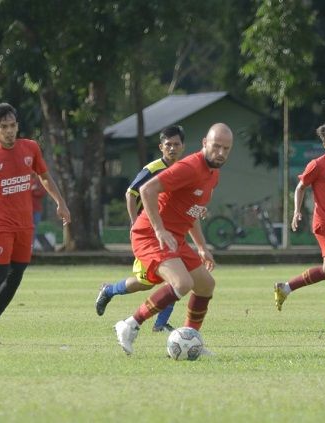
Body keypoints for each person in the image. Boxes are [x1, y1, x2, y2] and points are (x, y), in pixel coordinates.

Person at [113, 123, 233, 355]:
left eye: (226, 149)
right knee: (183, 283)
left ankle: (190, 339)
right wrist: (159, 230)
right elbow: (147, 190)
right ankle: (129, 325)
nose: (221, 153)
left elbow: (193, 212)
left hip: (174, 237)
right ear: (204, 144)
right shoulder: (189, 167)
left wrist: (201, 246)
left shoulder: (213, 174)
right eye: (216, 146)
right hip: (150, 234)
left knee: (206, 285)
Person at [0, 103, 71, 345]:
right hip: (0, 225)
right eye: (4, 127)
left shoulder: (30, 148)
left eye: (13, 126)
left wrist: (60, 202)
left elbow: (44, 176)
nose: (10, 131)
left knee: (16, 275)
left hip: (25, 226)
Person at [95, 125, 186, 332]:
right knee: (149, 282)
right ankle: (109, 291)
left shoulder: (182, 170)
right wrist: (135, 222)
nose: (172, 148)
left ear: (183, 147)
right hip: (150, 233)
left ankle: (160, 323)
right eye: (168, 145)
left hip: (170, 232)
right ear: (161, 147)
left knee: (173, 277)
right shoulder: (153, 169)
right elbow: (131, 194)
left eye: (176, 144)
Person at [273, 120, 325, 324]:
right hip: (324, 223)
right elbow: (301, 187)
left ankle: (286, 288)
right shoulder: (317, 165)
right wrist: (296, 212)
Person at [31, 172, 47, 249]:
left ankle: (31, 247)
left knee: (34, 228)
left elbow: (42, 192)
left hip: (37, 210)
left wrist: (34, 190)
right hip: (27, 210)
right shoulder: (26, 180)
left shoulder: (39, 182)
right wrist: (32, 190)